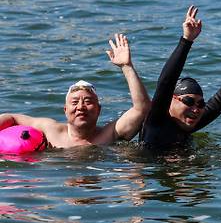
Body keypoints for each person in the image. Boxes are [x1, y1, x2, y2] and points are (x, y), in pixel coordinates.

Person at [0, 34, 149, 148]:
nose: (80, 107)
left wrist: (127, 67)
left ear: (98, 110)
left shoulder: (109, 134)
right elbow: (11, 117)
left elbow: (141, 108)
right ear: (65, 110)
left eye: (88, 101)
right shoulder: (51, 131)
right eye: (75, 102)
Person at [139, 6, 221, 150]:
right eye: (188, 101)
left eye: (200, 104)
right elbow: (166, 81)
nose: (196, 109)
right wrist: (186, 40)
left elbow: (217, 104)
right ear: (171, 100)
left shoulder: (187, 125)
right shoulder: (157, 121)